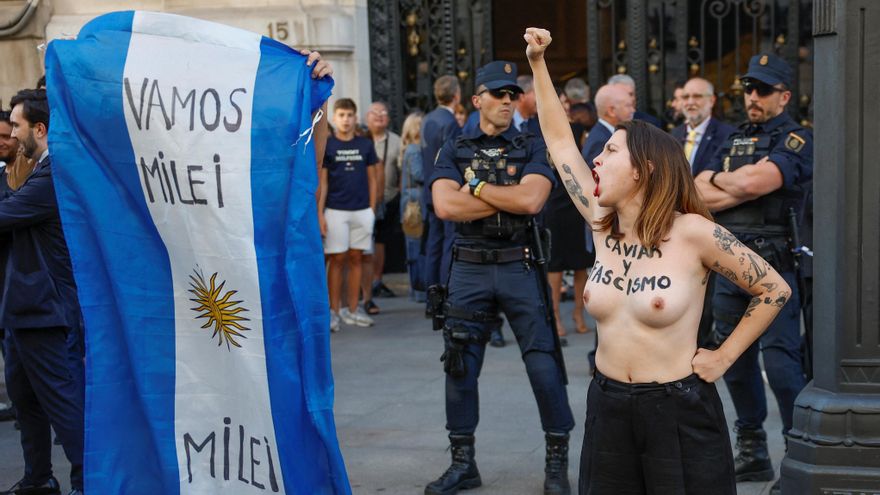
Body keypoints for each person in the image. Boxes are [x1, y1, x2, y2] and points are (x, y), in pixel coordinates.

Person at [525, 27, 796, 494]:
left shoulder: (694, 232)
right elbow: (558, 141)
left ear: (643, 169)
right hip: (607, 404)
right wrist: (537, 63)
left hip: (678, 409)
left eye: (610, 152)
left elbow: (774, 288)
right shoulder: (600, 220)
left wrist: (724, 356)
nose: (596, 160)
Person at [425, 60, 574, 495]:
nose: (507, 101)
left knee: (544, 363)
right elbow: (445, 209)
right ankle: (463, 463)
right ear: (477, 100)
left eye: (512, 94)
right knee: (459, 366)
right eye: (498, 94)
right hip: (469, 267)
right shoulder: (453, 147)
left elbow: (531, 202)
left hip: (518, 264)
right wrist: (504, 197)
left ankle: (555, 462)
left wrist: (473, 187)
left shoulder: (531, 145)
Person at [694, 53, 811, 493]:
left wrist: (724, 180)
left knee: (781, 366)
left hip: (774, 263)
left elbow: (749, 186)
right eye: (748, 89)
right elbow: (699, 193)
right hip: (729, 261)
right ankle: (754, 451)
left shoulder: (797, 138)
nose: (752, 97)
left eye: (762, 90)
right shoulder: (735, 137)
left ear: (784, 95)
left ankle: (798, 455)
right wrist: (733, 182)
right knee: (734, 363)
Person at [1, 88, 84, 495]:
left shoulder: (54, 175)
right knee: (25, 401)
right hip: (24, 312)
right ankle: (38, 478)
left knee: (65, 407)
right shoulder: (37, 170)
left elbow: (4, 214)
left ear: (40, 128)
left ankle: (88, 481)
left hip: (46, 313)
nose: (12, 136)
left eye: (15, 126)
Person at [671, 78, 736, 347]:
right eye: (685, 96)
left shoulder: (728, 135)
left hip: (711, 226)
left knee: (708, 298)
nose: (690, 102)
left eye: (697, 96)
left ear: (711, 101)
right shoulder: (672, 136)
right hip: (674, 231)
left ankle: (704, 350)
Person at [319, 98, 378, 331]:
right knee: (336, 260)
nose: (346, 119)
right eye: (341, 115)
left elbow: (373, 179)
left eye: (350, 115)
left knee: (356, 259)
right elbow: (322, 182)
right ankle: (333, 312)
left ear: (356, 118)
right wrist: (320, 214)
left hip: (362, 210)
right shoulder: (328, 145)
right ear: (335, 118)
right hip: (335, 210)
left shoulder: (365, 144)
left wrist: (372, 209)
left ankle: (352, 309)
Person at [421, 76, 462, 314]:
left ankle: (430, 298)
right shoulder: (450, 122)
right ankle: (444, 294)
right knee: (448, 243)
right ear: (456, 95)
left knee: (434, 245)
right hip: (445, 190)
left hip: (428, 188)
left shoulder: (428, 119)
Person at [363, 101, 403, 314]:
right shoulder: (360, 139)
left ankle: (377, 281)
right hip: (360, 202)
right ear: (367, 117)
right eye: (375, 113)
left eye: (383, 113)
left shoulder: (396, 141)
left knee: (380, 242)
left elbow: (402, 171)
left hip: (388, 199)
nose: (379, 116)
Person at [399, 112, 426, 302]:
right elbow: (420, 175)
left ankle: (416, 289)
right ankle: (419, 290)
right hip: (416, 204)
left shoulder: (408, 149)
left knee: (413, 247)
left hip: (409, 202)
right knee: (416, 246)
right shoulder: (415, 150)